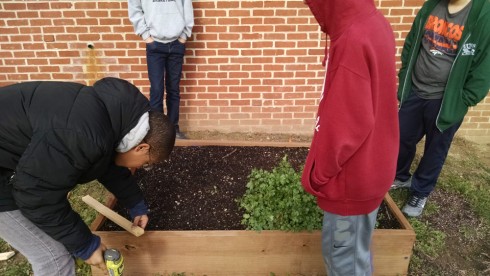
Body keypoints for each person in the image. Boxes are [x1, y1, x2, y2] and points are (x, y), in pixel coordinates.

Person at [0, 77, 176, 275]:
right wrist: (86, 245)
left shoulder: (112, 117)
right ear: (142, 147)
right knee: (53, 257)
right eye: (146, 163)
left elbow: (107, 163)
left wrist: (135, 203)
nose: (144, 167)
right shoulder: (80, 135)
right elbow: (37, 196)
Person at [300, 0, 399, 275]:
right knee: (357, 255)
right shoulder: (374, 22)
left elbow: (346, 125)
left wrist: (319, 175)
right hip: (371, 167)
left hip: (351, 181)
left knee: (344, 263)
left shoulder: (352, 40)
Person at [392, 0, 490, 217]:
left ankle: (420, 190)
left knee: (435, 149)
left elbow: (485, 64)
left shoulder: (484, 14)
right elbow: (412, 43)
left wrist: (464, 99)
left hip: (446, 100)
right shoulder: (432, 5)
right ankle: (399, 176)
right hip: (415, 90)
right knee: (401, 136)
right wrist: (405, 75)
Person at [128, 0, 194, 140]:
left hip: (177, 43)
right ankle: (158, 132)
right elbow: (135, 9)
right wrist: (147, 37)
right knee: (157, 89)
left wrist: (184, 36)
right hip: (155, 45)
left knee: (173, 89)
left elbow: (187, 8)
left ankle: (173, 129)